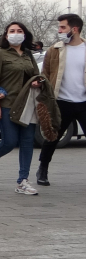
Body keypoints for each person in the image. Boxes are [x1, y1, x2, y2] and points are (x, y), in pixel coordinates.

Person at [0, 22, 41, 195]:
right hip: (7, 105)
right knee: (9, 141)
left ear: (25, 34)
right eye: (12, 31)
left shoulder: (28, 54)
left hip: (27, 104)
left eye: (19, 31)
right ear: (6, 35)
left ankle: (23, 181)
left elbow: (37, 75)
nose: (16, 34)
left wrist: (38, 82)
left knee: (28, 142)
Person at [36, 14, 86, 186]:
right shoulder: (54, 50)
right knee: (52, 138)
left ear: (75, 29)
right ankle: (42, 169)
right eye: (59, 27)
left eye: (62, 27)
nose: (59, 31)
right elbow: (46, 74)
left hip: (83, 102)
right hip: (61, 102)